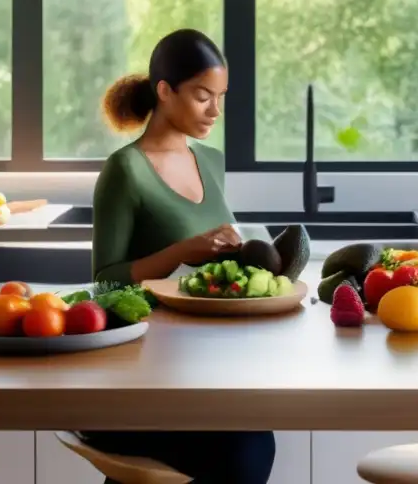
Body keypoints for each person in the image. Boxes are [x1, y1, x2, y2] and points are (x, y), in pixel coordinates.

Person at [80, 28, 276, 484]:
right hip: (140, 382)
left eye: (222, 96)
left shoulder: (212, 160)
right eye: (203, 95)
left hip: (205, 368)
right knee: (246, 450)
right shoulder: (125, 170)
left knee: (254, 438)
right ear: (165, 92)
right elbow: (105, 284)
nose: (216, 111)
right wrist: (180, 252)